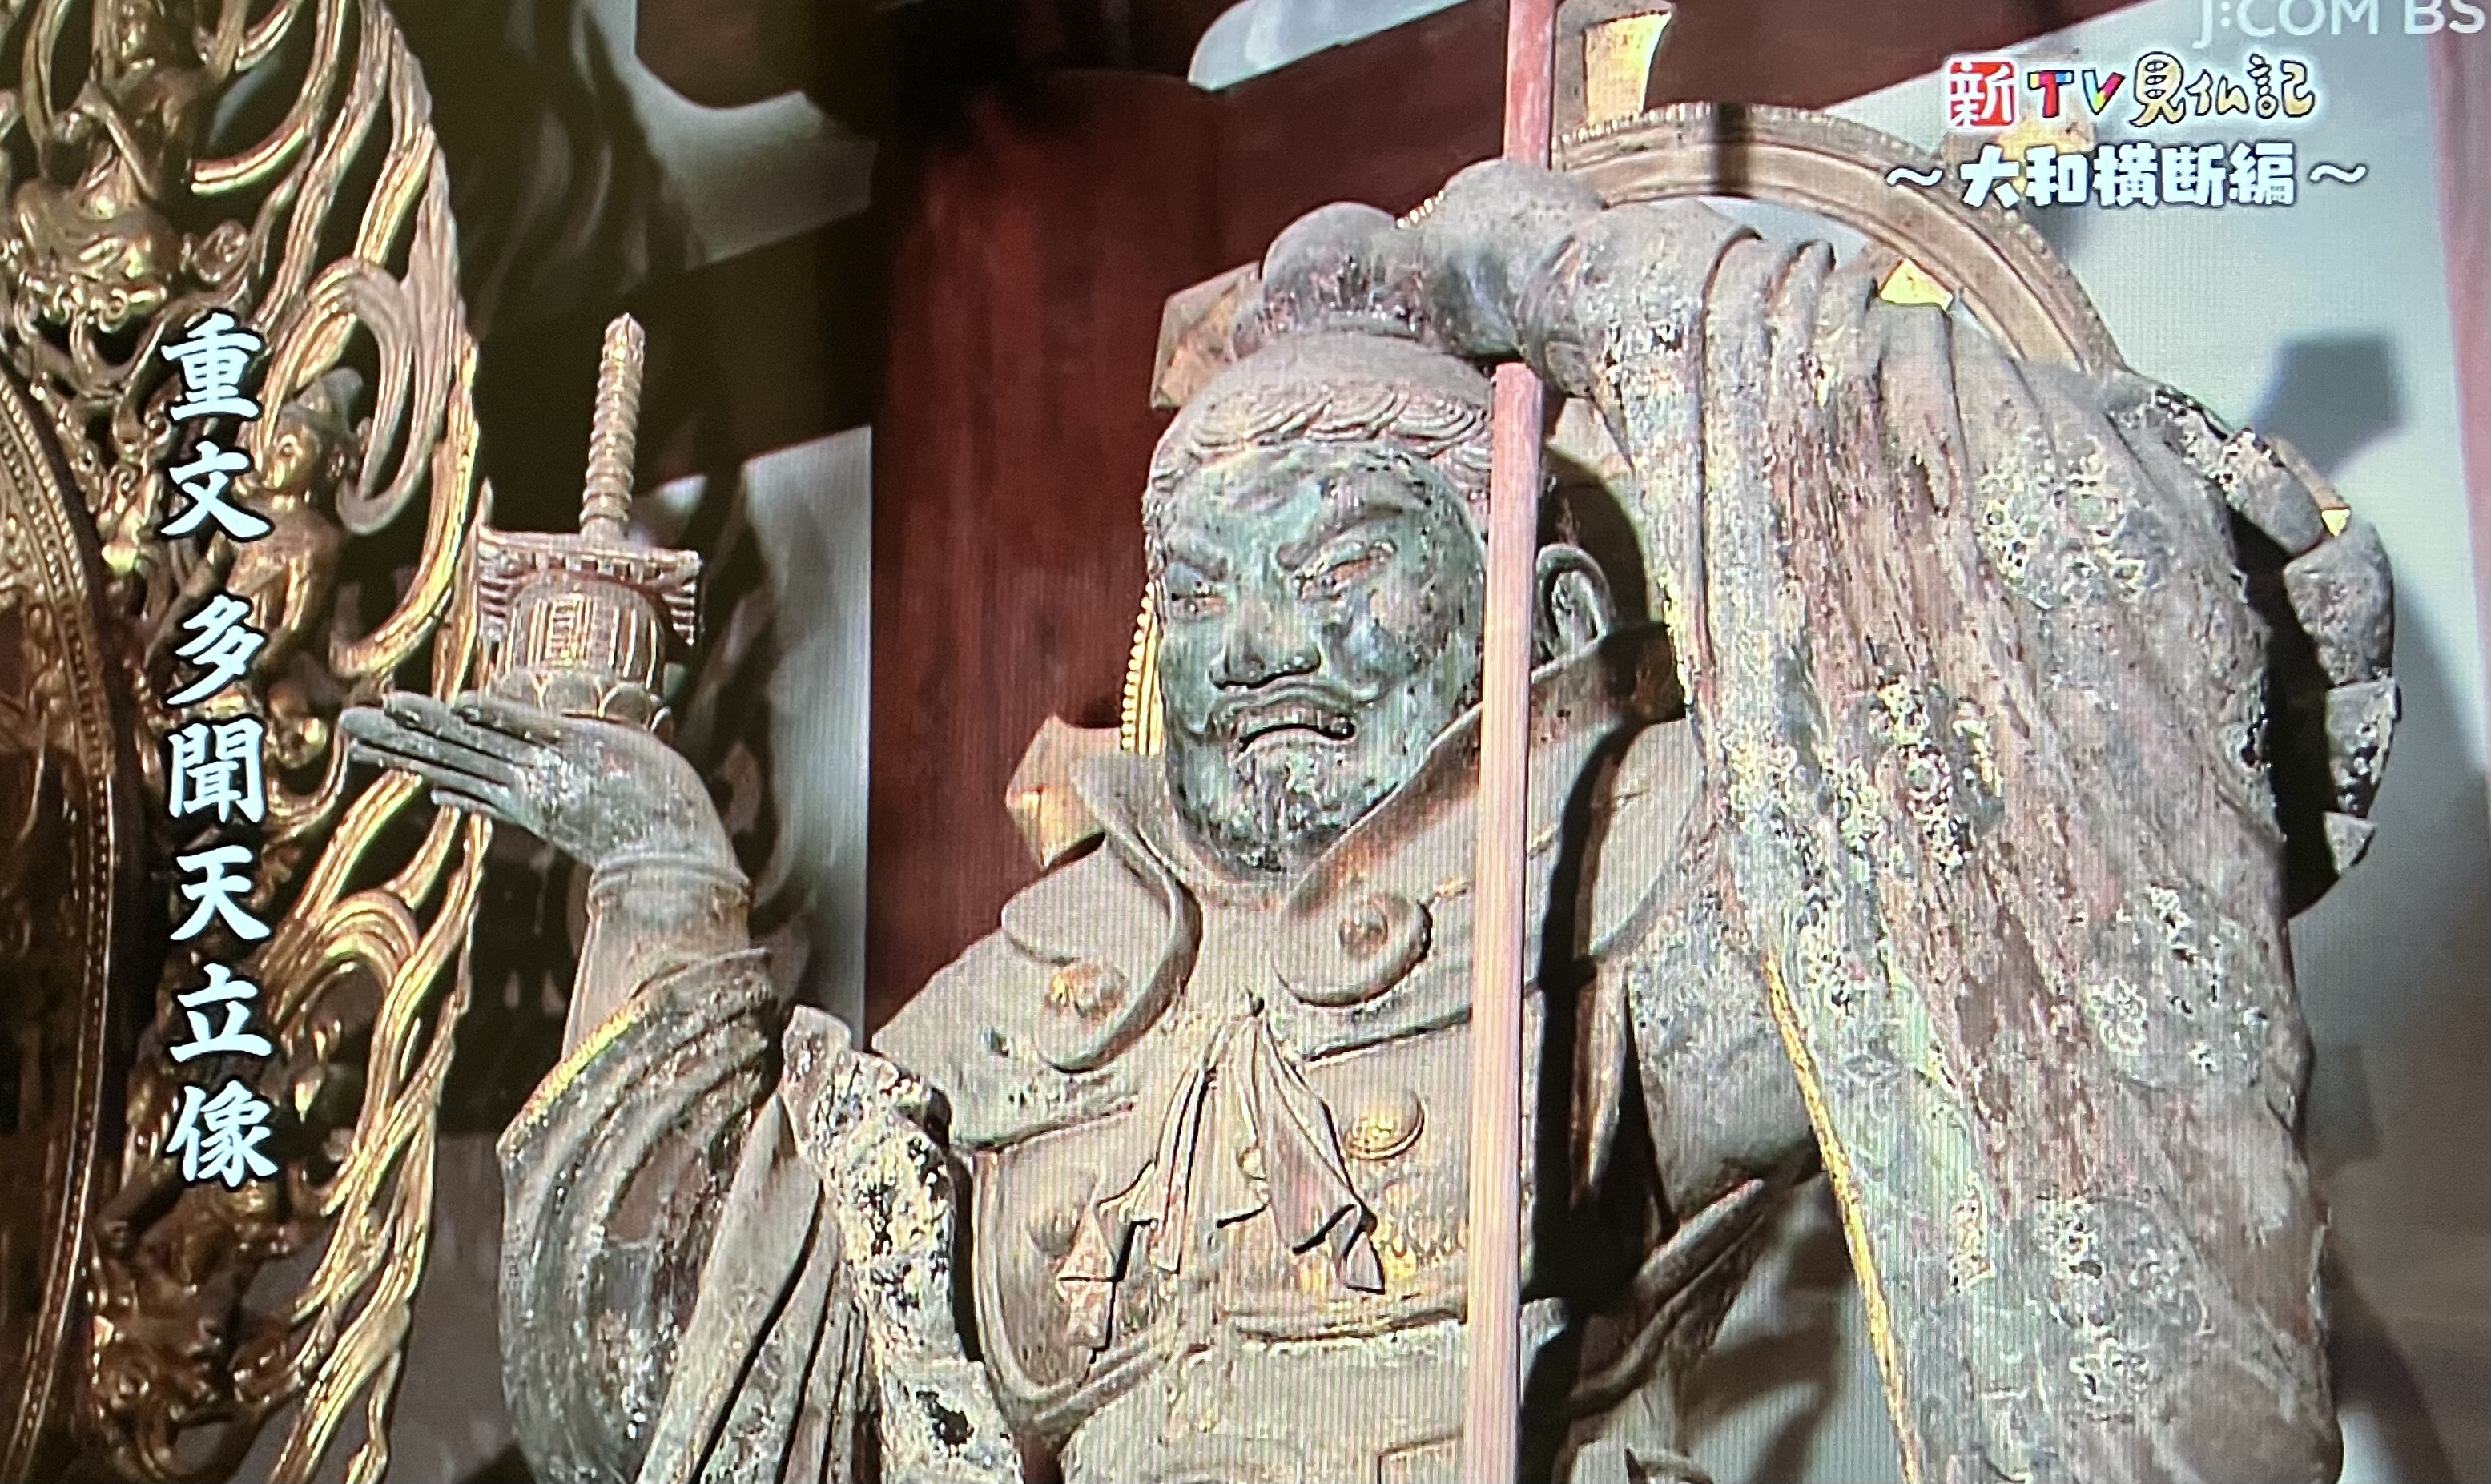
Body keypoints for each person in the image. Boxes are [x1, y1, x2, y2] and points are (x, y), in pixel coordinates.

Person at [344, 159, 2377, 1483]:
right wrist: (657, 891)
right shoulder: (1049, 988)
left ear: (1533, 612)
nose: (1256, 647)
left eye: (1341, 566)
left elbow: (2023, 635)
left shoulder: (1622, 865)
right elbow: (696, 1410)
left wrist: (1581, 282)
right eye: (1204, 589)